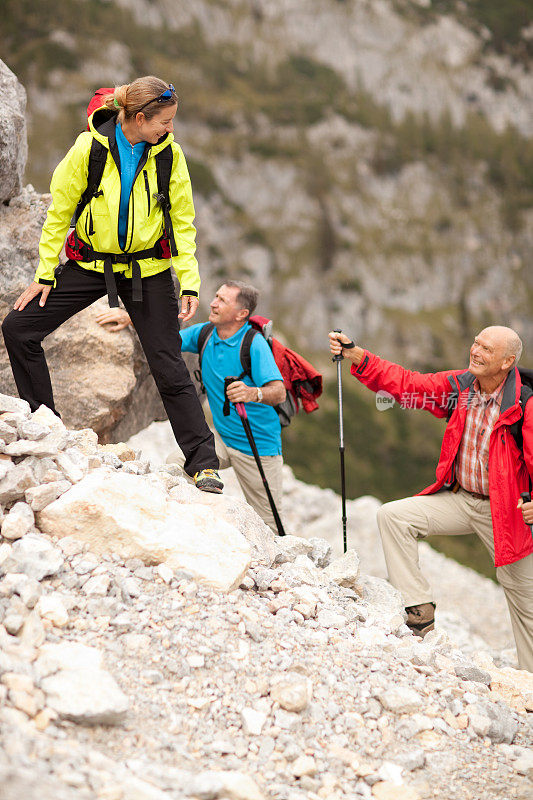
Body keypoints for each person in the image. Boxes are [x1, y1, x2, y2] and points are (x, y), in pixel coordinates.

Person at [2, 76, 222, 494]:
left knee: (169, 364)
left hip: (149, 270)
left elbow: (183, 222)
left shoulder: (169, 156)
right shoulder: (88, 149)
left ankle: (203, 464)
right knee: (18, 328)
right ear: (140, 118)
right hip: (90, 264)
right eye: (166, 122)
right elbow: (59, 212)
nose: (171, 130)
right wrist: (46, 273)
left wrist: (190, 282)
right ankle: (48, 426)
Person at [329, 326, 533, 672]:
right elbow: (410, 385)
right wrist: (359, 356)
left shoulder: (523, 404)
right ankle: (419, 610)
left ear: (507, 361)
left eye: (486, 348)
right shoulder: (462, 390)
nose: (475, 351)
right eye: (475, 343)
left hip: (506, 513)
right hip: (459, 499)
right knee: (394, 516)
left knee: (525, 601)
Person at [96, 281, 287, 532]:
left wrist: (253, 392)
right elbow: (166, 336)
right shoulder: (206, 333)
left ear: (241, 314)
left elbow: (279, 392)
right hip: (219, 437)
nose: (213, 302)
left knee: (270, 524)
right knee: (176, 466)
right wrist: (130, 317)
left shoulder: (254, 344)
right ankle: (190, 529)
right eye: (216, 296)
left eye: (222, 300)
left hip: (257, 446)